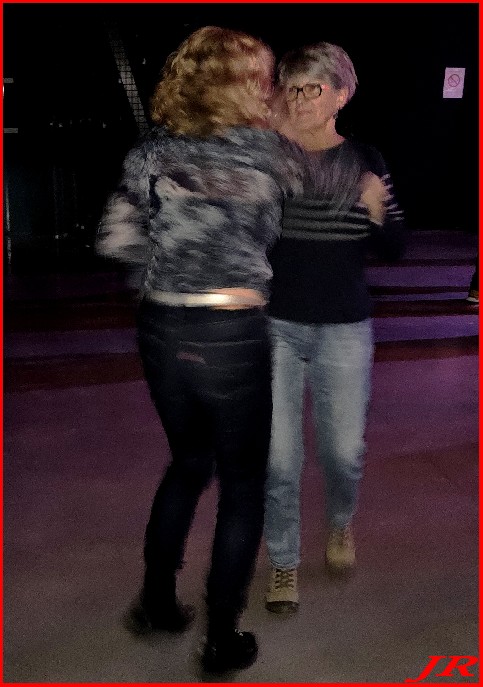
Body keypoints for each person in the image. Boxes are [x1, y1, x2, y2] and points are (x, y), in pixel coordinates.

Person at [96, 27, 309, 673]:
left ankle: (156, 603)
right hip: (232, 330)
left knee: (188, 463)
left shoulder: (151, 153)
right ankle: (221, 637)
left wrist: (165, 264)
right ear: (248, 85)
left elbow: (114, 241)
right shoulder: (273, 153)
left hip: (163, 326)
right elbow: (283, 224)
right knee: (242, 485)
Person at [263, 42, 405, 613]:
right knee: (278, 458)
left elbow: (395, 247)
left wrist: (376, 207)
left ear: (341, 95)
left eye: (313, 88)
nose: (299, 99)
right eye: (291, 87)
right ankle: (283, 559)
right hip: (274, 324)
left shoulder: (364, 159)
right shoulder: (269, 158)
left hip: (344, 326)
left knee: (344, 452)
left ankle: (341, 522)